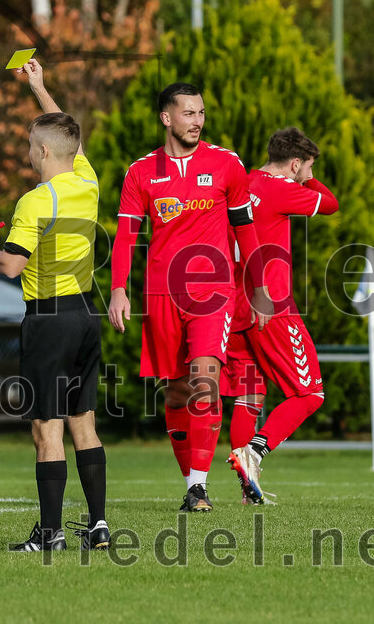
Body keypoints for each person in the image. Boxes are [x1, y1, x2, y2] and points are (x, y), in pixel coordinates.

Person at [108, 82, 273, 512]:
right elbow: (125, 236)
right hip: (162, 294)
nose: (197, 121)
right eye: (188, 113)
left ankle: (198, 487)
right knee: (177, 393)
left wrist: (259, 288)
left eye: (201, 113)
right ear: (167, 118)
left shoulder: (227, 164)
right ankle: (191, 483)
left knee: (205, 380)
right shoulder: (141, 172)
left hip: (213, 292)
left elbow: (246, 231)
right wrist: (119, 288)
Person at [0, 60, 109, 551]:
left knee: (45, 428)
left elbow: (11, 267)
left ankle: (50, 533)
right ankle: (98, 525)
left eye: (32, 146)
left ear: (44, 151)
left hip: (48, 319)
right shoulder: (87, 183)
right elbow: (71, 136)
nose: (30, 154)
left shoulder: (36, 201)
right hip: (85, 314)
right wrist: (39, 88)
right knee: (83, 424)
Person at [221, 128, 338, 502]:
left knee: (249, 395)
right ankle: (254, 452)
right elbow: (331, 204)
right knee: (310, 394)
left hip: (237, 306)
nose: (308, 174)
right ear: (295, 163)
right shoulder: (280, 189)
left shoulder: (244, 181)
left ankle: (248, 488)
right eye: (308, 166)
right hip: (272, 307)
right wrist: (308, 178)